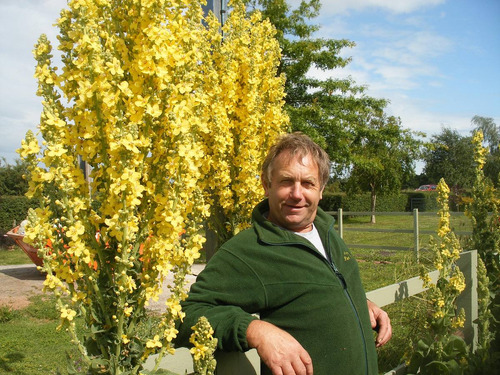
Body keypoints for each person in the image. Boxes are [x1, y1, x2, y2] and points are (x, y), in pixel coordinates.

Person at [176, 132, 392, 375]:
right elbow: (185, 316)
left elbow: (321, 286)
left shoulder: (326, 231)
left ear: (321, 189)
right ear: (267, 185)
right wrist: (255, 330)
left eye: (308, 183)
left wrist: (358, 303)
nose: (297, 194)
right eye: (286, 181)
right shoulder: (247, 251)